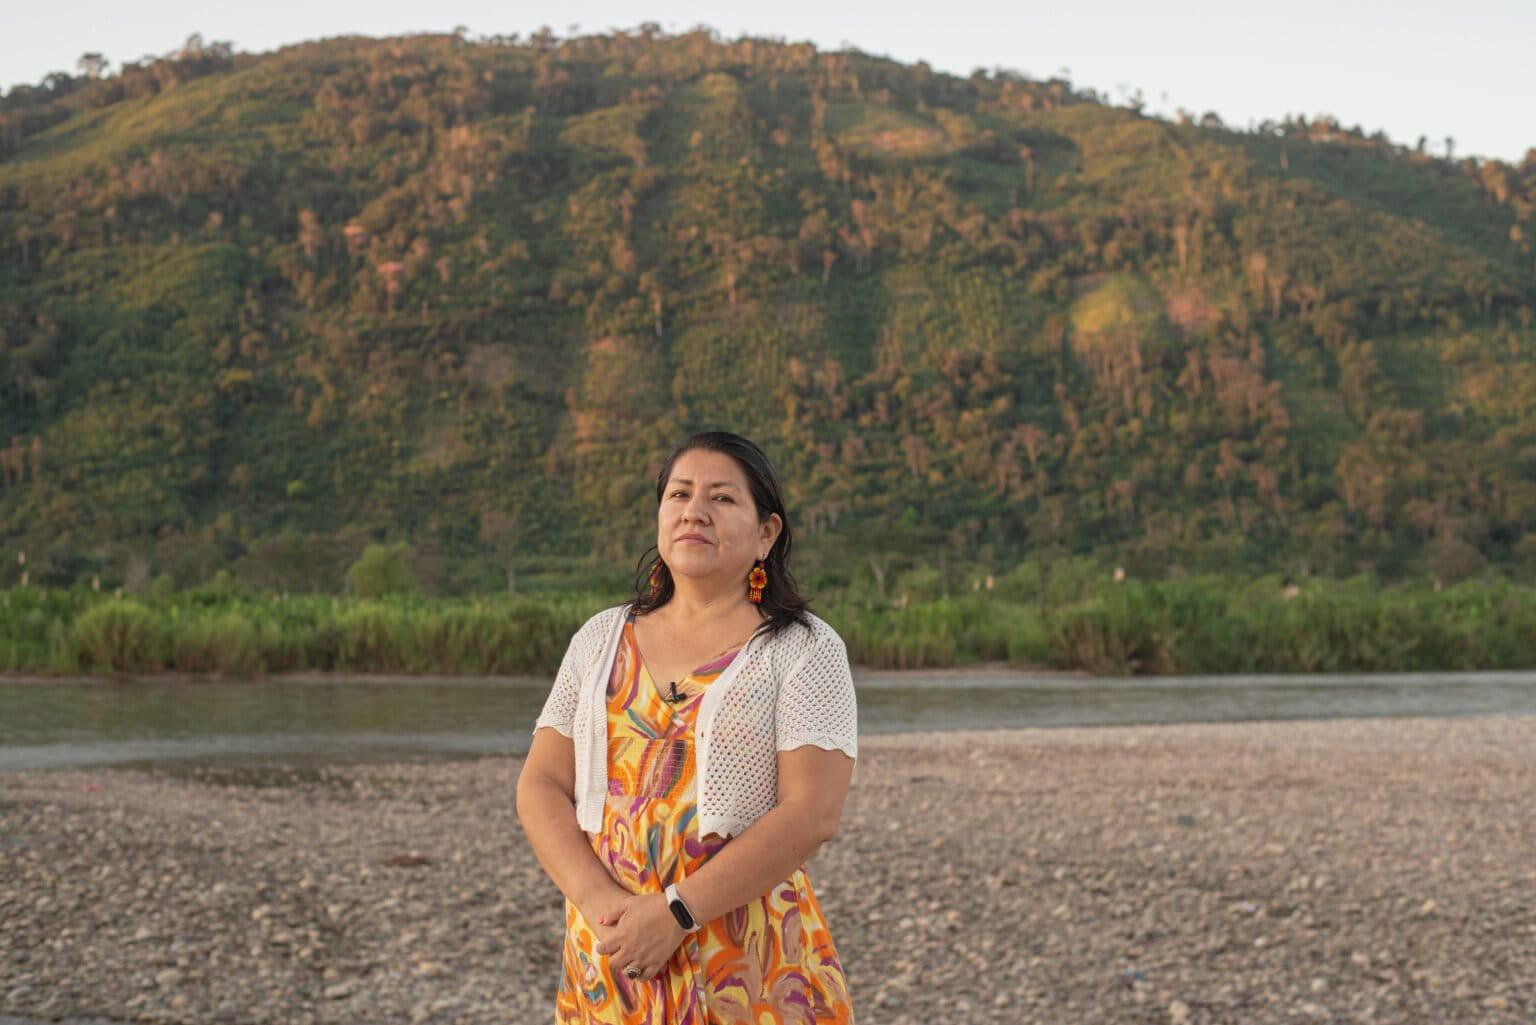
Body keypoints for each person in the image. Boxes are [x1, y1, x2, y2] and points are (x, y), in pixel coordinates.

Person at [517, 431, 858, 1023]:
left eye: (722, 498)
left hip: (746, 958)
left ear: (766, 533)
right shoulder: (600, 639)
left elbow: (812, 813)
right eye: (679, 494)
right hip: (616, 953)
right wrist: (606, 909)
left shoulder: (803, 649)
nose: (694, 510)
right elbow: (541, 783)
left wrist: (676, 913)